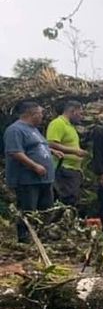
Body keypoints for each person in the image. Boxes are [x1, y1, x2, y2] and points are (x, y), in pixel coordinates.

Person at [4, 101, 61, 243]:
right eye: (40, 113)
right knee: (28, 210)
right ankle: (26, 238)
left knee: (46, 209)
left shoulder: (34, 129)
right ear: (32, 114)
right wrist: (35, 166)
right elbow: (15, 152)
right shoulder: (15, 130)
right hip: (27, 179)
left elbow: (39, 146)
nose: (42, 116)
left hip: (44, 179)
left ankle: (43, 236)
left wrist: (52, 151)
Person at [45, 100, 88, 207]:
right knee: (67, 200)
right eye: (80, 113)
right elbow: (51, 144)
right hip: (63, 168)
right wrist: (75, 151)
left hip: (73, 169)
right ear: (72, 111)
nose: (81, 116)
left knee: (73, 199)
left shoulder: (70, 126)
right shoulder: (58, 123)